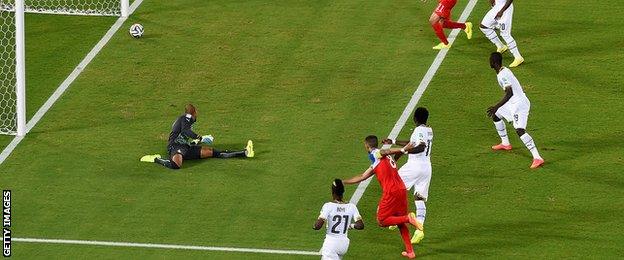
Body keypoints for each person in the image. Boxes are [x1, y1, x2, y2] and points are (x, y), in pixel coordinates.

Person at [343, 136, 422, 259]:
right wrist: (344, 182)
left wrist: (403, 149)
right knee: (400, 221)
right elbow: (362, 176)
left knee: (382, 220)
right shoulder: (379, 161)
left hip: (391, 192)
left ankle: (408, 218)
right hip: (401, 190)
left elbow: (385, 151)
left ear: (367, 146)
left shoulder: (375, 153)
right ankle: (410, 252)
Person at [140, 104, 254, 169]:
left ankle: (245, 152)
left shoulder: (186, 119)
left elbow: (184, 134)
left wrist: (194, 142)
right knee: (176, 165)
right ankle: (155, 158)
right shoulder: (186, 118)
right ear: (193, 112)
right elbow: (185, 132)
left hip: (186, 147)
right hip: (175, 147)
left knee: (213, 152)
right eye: (196, 112)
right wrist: (200, 138)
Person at [382, 107, 433, 244]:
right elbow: (414, 143)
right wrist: (393, 141)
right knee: (419, 198)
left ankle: (395, 217)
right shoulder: (429, 130)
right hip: (426, 168)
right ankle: (419, 230)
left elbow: (420, 146)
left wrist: (404, 151)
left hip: (414, 166)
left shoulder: (419, 130)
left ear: (415, 118)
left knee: (395, 187)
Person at [486, 53, 544, 168]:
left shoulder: (503, 75)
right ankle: (505, 143)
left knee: (520, 130)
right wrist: (497, 109)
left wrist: (496, 106)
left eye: (490, 60)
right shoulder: (503, 70)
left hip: (519, 104)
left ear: (494, 63)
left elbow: (509, 93)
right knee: (496, 115)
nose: (489, 62)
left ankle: (537, 157)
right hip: (512, 102)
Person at [314, 179, 364, 260]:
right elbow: (360, 225)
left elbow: (318, 226)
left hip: (331, 243)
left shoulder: (328, 206)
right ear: (343, 192)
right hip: (344, 244)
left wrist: (315, 226)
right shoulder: (351, 206)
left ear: (333, 192)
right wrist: (350, 225)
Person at [479, 0, 524, 67]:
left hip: (505, 10)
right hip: (497, 7)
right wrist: (492, 4)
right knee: (484, 26)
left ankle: (518, 57)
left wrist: (501, 11)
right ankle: (501, 46)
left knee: (505, 34)